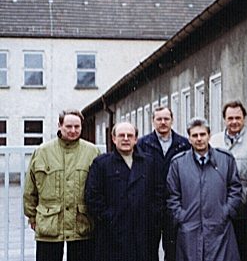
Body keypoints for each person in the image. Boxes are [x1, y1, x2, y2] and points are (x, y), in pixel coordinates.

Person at [23, 109, 100, 261]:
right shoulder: (42, 152)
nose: (73, 130)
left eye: (77, 127)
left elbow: (101, 187)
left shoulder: (92, 152)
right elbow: (30, 188)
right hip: (50, 223)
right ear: (59, 125)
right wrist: (32, 216)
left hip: (82, 223)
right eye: (68, 126)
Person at [85, 122, 163, 261]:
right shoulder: (101, 164)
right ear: (113, 139)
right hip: (112, 234)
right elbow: (92, 196)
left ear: (136, 139)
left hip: (143, 232)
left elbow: (159, 193)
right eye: (121, 135)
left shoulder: (149, 162)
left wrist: (151, 216)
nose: (126, 138)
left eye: (130, 135)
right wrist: (109, 218)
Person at [167, 117, 242, 261]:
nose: (199, 139)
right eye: (194, 135)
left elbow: (235, 188)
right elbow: (172, 195)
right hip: (189, 229)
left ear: (209, 135)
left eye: (202, 134)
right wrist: (181, 216)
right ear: (189, 138)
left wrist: (226, 211)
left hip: (219, 228)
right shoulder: (178, 163)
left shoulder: (225, 159)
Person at [136, 106, 191, 261]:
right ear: (153, 121)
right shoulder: (142, 144)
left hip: (175, 203)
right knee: (148, 249)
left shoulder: (183, 144)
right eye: (159, 119)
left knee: (173, 249)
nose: (163, 122)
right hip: (150, 205)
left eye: (166, 119)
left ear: (172, 120)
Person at [209, 101, 247, 261]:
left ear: (244, 118)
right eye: (230, 118)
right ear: (224, 119)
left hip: (243, 209)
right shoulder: (214, 142)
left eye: (238, 118)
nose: (234, 122)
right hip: (219, 208)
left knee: (244, 252)